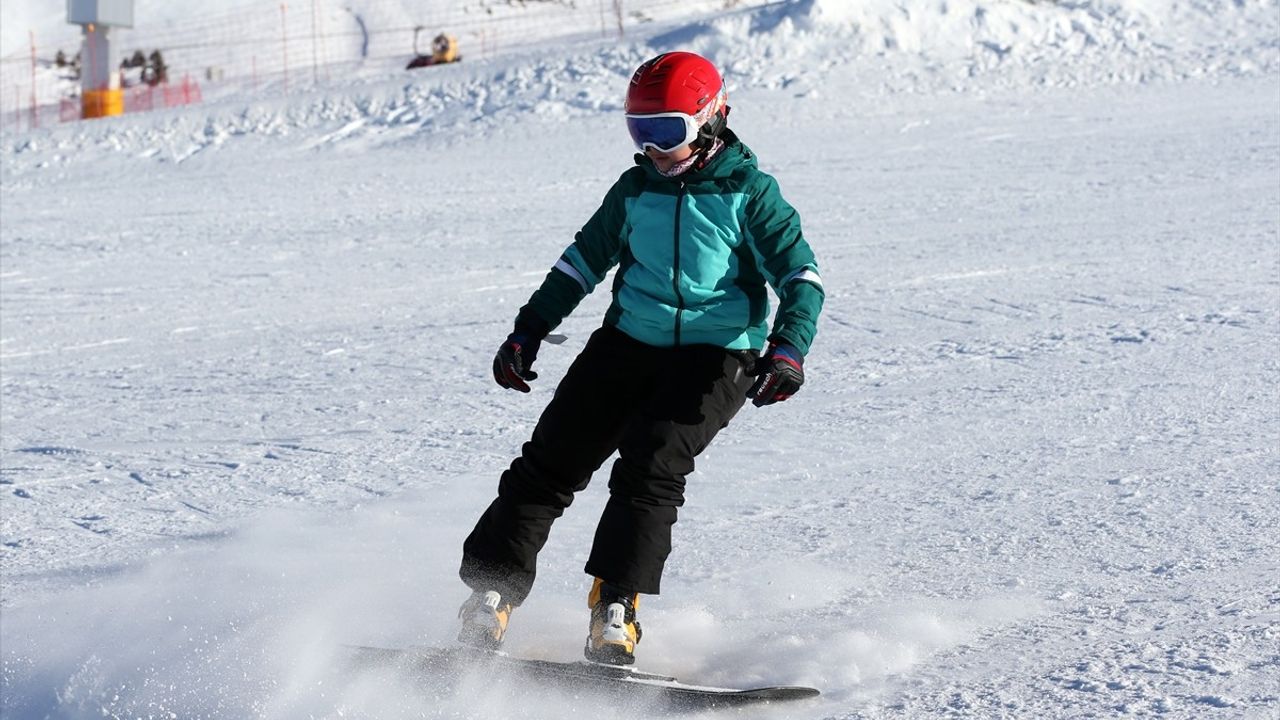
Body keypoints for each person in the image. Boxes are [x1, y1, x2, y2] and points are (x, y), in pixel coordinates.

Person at [457, 51, 824, 666]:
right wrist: (529, 329)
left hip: (717, 356)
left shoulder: (749, 193)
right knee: (549, 463)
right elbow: (581, 262)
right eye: (640, 131)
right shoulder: (634, 190)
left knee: (649, 470)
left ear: (711, 119)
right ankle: (492, 591)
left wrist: (788, 348)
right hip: (627, 343)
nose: (654, 148)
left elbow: (802, 277)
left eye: (667, 131)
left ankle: (616, 606)